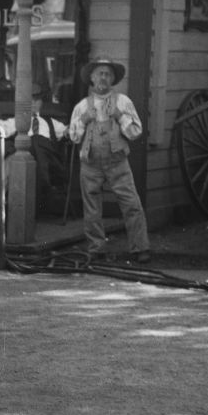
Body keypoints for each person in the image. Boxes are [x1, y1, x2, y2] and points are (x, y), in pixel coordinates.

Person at [66, 57, 150, 262]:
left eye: (107, 74)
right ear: (92, 78)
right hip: (90, 163)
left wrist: (120, 116)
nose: (103, 77)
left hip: (117, 163)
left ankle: (140, 248)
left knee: (132, 204)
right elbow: (74, 136)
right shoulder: (81, 106)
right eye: (100, 73)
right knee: (92, 208)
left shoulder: (123, 102)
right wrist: (84, 121)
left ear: (113, 79)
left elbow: (135, 133)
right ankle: (96, 249)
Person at [26, 82, 69, 212]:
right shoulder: (18, 122)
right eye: (30, 100)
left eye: (37, 100)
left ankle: (42, 186)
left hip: (52, 166)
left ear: (41, 103)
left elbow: (70, 131)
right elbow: (0, 125)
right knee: (33, 141)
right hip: (27, 166)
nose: (33, 103)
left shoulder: (50, 122)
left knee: (36, 139)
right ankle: (44, 187)